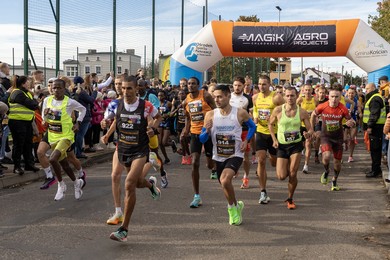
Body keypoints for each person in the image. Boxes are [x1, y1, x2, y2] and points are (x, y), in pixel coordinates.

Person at [108, 75, 162, 242]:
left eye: (129, 88)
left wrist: (152, 127)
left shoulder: (145, 106)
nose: (125, 91)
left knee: (129, 183)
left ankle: (124, 229)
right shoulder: (116, 104)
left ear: (136, 89)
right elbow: (110, 119)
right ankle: (150, 185)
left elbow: (158, 116)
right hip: (124, 148)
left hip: (140, 149)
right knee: (138, 182)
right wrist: (105, 127)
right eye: (123, 88)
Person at [200, 84, 255, 225]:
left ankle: (231, 210)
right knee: (224, 184)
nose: (216, 100)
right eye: (215, 97)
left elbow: (253, 127)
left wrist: (246, 140)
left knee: (225, 180)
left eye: (219, 97)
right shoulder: (210, 115)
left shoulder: (240, 113)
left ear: (228, 96)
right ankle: (236, 205)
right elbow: (202, 139)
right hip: (218, 155)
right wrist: (206, 131)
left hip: (235, 154)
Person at [39, 79, 87, 200]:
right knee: (64, 164)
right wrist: (45, 121)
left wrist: (78, 123)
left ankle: (61, 185)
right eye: (54, 88)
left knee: (53, 158)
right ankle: (77, 182)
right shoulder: (47, 100)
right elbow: (45, 115)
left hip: (66, 136)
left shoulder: (69, 102)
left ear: (64, 89)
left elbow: (83, 109)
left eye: (59, 88)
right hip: (52, 135)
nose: (56, 90)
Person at [269, 87, 312, 209]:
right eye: (287, 96)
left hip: (296, 145)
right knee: (281, 176)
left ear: (297, 96)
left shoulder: (302, 112)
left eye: (292, 95)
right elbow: (270, 124)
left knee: (293, 174)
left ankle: (290, 198)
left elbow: (310, 128)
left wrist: (308, 133)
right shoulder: (278, 110)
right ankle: (284, 165)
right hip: (282, 146)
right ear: (284, 96)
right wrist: (274, 139)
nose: (290, 98)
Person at [310, 84, 356, 191]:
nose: (334, 99)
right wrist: (312, 129)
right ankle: (326, 171)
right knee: (326, 157)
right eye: (332, 96)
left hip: (338, 138)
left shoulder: (343, 109)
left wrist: (351, 123)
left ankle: (334, 180)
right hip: (326, 136)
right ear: (328, 96)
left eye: (336, 97)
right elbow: (313, 115)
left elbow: (352, 121)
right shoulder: (323, 106)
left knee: (337, 163)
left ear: (340, 98)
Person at [182, 76, 216, 208]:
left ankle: (213, 168)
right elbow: (187, 117)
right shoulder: (186, 100)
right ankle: (197, 196)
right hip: (195, 133)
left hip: (207, 132)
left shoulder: (206, 96)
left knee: (209, 164)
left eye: (193, 84)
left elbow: (216, 110)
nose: (190, 86)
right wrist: (186, 129)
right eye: (189, 84)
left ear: (198, 85)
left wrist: (211, 123)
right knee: (195, 162)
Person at [252, 75, 284, 204]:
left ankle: (273, 157)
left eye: (264, 84)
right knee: (261, 160)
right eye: (259, 84)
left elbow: (284, 111)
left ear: (269, 84)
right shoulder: (255, 97)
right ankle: (263, 192)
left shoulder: (276, 97)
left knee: (274, 162)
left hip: (274, 134)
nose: (261, 86)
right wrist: (255, 116)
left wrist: (277, 119)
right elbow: (255, 109)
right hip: (260, 131)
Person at [8, 75, 40, 175]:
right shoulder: (17, 93)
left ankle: (28, 164)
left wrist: (34, 100)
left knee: (28, 144)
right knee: (18, 144)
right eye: (28, 82)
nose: (29, 83)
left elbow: (34, 103)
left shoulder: (26, 93)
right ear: (23, 83)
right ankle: (17, 167)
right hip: (17, 122)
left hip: (26, 122)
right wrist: (35, 101)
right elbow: (33, 105)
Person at [229, 76, 253, 189]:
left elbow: (251, 115)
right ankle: (235, 169)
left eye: (239, 85)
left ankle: (246, 177)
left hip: (244, 129)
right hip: (230, 129)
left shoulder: (248, 98)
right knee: (231, 153)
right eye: (235, 85)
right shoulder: (228, 97)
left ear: (243, 86)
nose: (237, 87)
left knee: (245, 156)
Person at [363, 83, 386, 178]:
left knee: (375, 149)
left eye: (367, 88)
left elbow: (374, 114)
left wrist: (370, 126)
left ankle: (375, 170)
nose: (366, 90)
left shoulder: (375, 99)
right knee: (375, 149)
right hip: (377, 127)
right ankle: (376, 169)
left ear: (373, 88)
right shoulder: (376, 97)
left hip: (375, 128)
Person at [297, 84, 318, 174]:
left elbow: (318, 110)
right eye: (306, 90)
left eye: (309, 90)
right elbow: (295, 109)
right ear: (303, 91)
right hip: (301, 125)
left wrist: (316, 117)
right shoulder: (300, 99)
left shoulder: (315, 99)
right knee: (301, 145)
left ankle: (306, 165)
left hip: (310, 125)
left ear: (312, 91)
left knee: (308, 144)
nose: (308, 92)